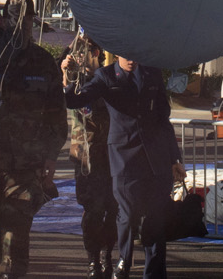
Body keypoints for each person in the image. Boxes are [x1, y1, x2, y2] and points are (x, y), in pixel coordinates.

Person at [0, 0, 68, 279]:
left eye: (23, 19)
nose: (18, 25)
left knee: (18, 235)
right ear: (3, 20)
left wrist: (51, 154)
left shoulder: (43, 61)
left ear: (31, 21)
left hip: (26, 166)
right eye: (12, 18)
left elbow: (56, 115)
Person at [72, 52, 184, 279]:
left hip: (156, 158)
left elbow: (164, 119)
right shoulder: (105, 75)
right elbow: (76, 100)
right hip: (124, 157)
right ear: (117, 52)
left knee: (155, 218)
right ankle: (125, 258)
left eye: (136, 54)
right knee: (128, 211)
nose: (132, 59)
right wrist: (67, 76)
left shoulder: (152, 73)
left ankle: (153, 273)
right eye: (126, 54)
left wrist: (175, 159)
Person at [62, 33, 118, 279]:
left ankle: (108, 255)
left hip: (112, 156)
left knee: (112, 209)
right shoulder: (76, 81)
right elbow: (65, 94)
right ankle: (93, 259)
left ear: (96, 53)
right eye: (74, 52)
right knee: (92, 211)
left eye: (82, 51)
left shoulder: (108, 78)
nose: (77, 56)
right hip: (86, 159)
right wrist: (65, 70)